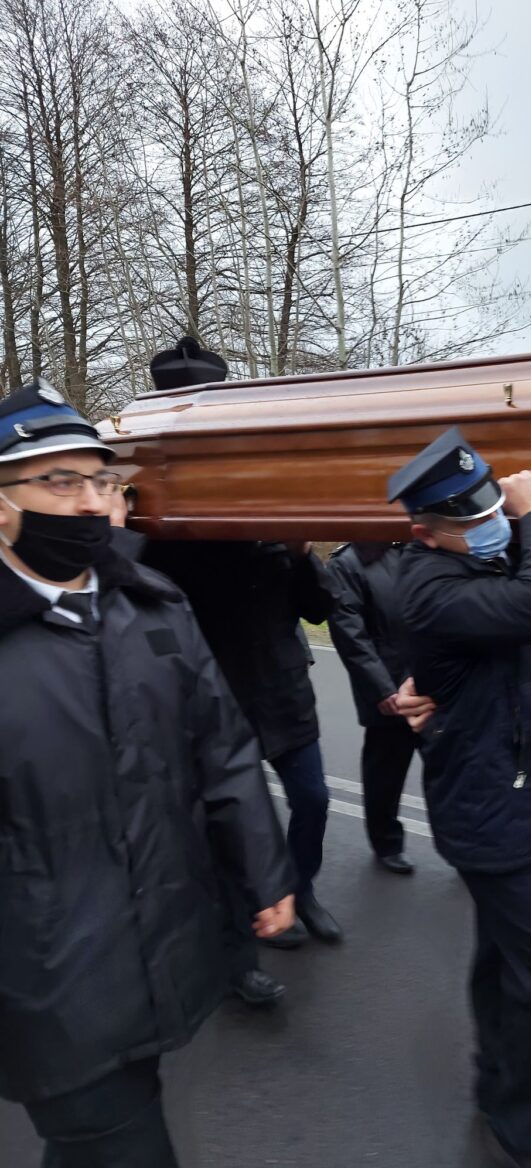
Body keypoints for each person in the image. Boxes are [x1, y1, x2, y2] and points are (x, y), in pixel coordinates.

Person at [0, 379, 295, 1167]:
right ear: (1, 505)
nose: (92, 502)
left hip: (159, 944)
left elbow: (223, 748)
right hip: (44, 974)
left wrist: (264, 872)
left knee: (102, 1132)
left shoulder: (154, 609)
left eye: (102, 480)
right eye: (59, 481)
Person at [390, 427, 531, 1168]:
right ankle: (526, 1130)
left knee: (504, 960)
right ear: (424, 533)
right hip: (488, 812)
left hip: (523, 794)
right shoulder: (433, 590)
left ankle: (497, 1087)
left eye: (492, 503)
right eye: (472, 518)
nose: (492, 518)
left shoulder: (481, 567)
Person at [144, 538, 344, 948]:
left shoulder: (282, 542)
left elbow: (320, 609)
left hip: (284, 697)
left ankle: (299, 890)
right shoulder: (185, 544)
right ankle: (253, 907)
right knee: (233, 817)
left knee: (313, 799)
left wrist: (302, 554)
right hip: (222, 700)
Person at [328, 542, 416, 874]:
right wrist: (381, 687)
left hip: (429, 680)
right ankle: (387, 843)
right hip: (388, 687)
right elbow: (350, 634)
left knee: (450, 767)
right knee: (386, 772)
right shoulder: (348, 563)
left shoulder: (419, 548)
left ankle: (465, 841)